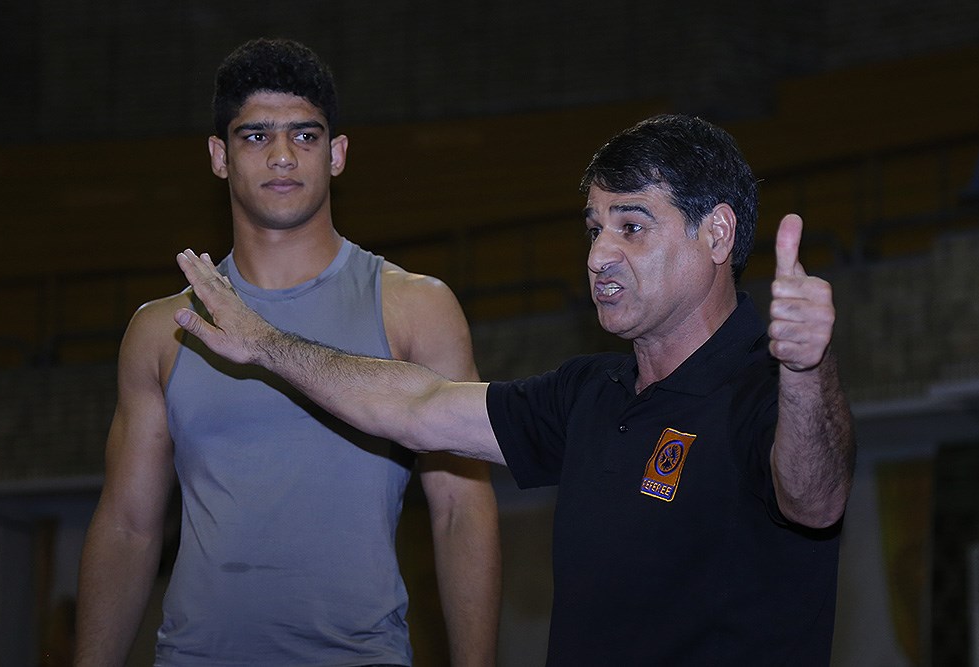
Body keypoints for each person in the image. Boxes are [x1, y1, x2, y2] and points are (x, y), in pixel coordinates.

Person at [173, 114, 857, 665]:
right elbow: (417, 405)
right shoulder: (589, 393)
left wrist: (805, 370)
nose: (599, 255)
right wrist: (266, 344)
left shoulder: (767, 391)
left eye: (631, 226)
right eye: (594, 228)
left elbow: (815, 498)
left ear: (716, 233)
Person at [75, 37, 501, 667]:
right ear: (219, 156)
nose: (282, 155)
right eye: (255, 136)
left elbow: (461, 509)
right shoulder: (162, 329)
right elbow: (128, 527)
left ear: (337, 153)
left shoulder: (414, 308)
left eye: (305, 135)